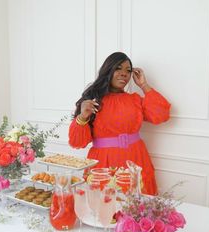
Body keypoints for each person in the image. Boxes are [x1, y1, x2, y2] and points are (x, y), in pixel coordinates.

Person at [68, 52, 171, 195]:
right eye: (118, 68)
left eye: (128, 70)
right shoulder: (93, 101)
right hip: (105, 163)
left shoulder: (135, 100)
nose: (124, 74)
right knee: (107, 208)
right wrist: (83, 116)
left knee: (137, 210)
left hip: (136, 159)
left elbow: (161, 115)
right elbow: (77, 142)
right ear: (108, 70)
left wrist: (144, 85)